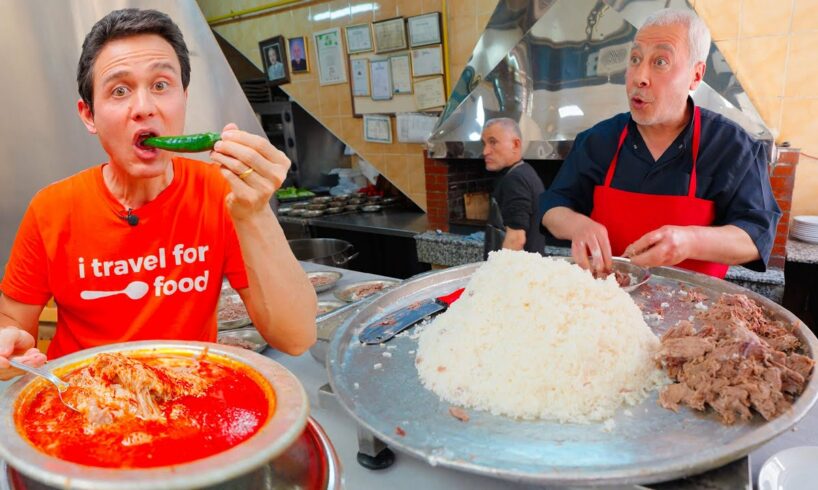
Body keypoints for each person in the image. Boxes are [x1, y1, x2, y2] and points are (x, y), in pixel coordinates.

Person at [0, 8, 317, 380]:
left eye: (161, 85)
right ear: (89, 115)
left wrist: (255, 211)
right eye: (119, 90)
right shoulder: (51, 209)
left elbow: (296, 338)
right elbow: (11, 323)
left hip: (187, 396)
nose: (145, 108)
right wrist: (10, 347)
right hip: (82, 402)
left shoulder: (220, 192)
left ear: (183, 97)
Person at [539, 8, 780, 278]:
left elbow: (756, 235)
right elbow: (551, 206)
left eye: (660, 62)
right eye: (635, 59)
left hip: (695, 312)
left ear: (696, 76)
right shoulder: (597, 140)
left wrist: (689, 242)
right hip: (608, 303)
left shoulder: (734, 147)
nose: (639, 77)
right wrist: (577, 225)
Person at [481, 118, 546, 257]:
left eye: (493, 142)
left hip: (518, 274)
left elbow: (516, 239)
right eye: (484, 143)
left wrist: (497, 274)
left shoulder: (515, 180)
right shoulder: (525, 172)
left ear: (516, 145)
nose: (485, 151)